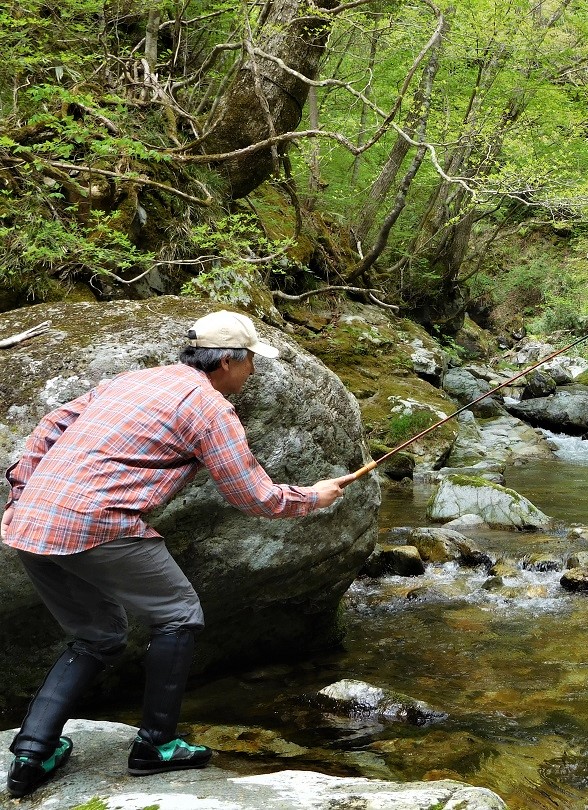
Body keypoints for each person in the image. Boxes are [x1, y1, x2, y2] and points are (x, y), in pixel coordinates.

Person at [1, 310, 358, 799]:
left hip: (29, 522)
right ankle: (156, 746)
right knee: (179, 615)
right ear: (228, 361)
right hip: (99, 524)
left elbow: (49, 426)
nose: (252, 371)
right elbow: (251, 495)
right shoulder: (210, 409)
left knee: (98, 636)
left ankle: (31, 752)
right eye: (251, 360)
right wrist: (313, 497)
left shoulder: (133, 380)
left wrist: (24, 492)